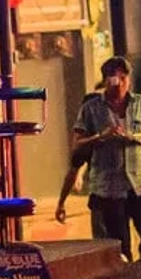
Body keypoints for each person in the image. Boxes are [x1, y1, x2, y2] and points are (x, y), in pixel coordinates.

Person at [72, 56, 141, 262]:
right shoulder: (91, 108)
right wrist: (101, 137)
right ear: (106, 80)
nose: (120, 83)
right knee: (120, 248)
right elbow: (77, 143)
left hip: (140, 183)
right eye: (115, 78)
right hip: (109, 187)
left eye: (124, 78)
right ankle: (128, 278)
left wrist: (140, 140)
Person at [54, 89, 108, 239]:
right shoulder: (90, 141)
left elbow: (73, 170)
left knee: (104, 242)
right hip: (106, 198)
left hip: (105, 198)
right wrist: (61, 203)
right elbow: (74, 169)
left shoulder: (92, 140)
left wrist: (61, 203)